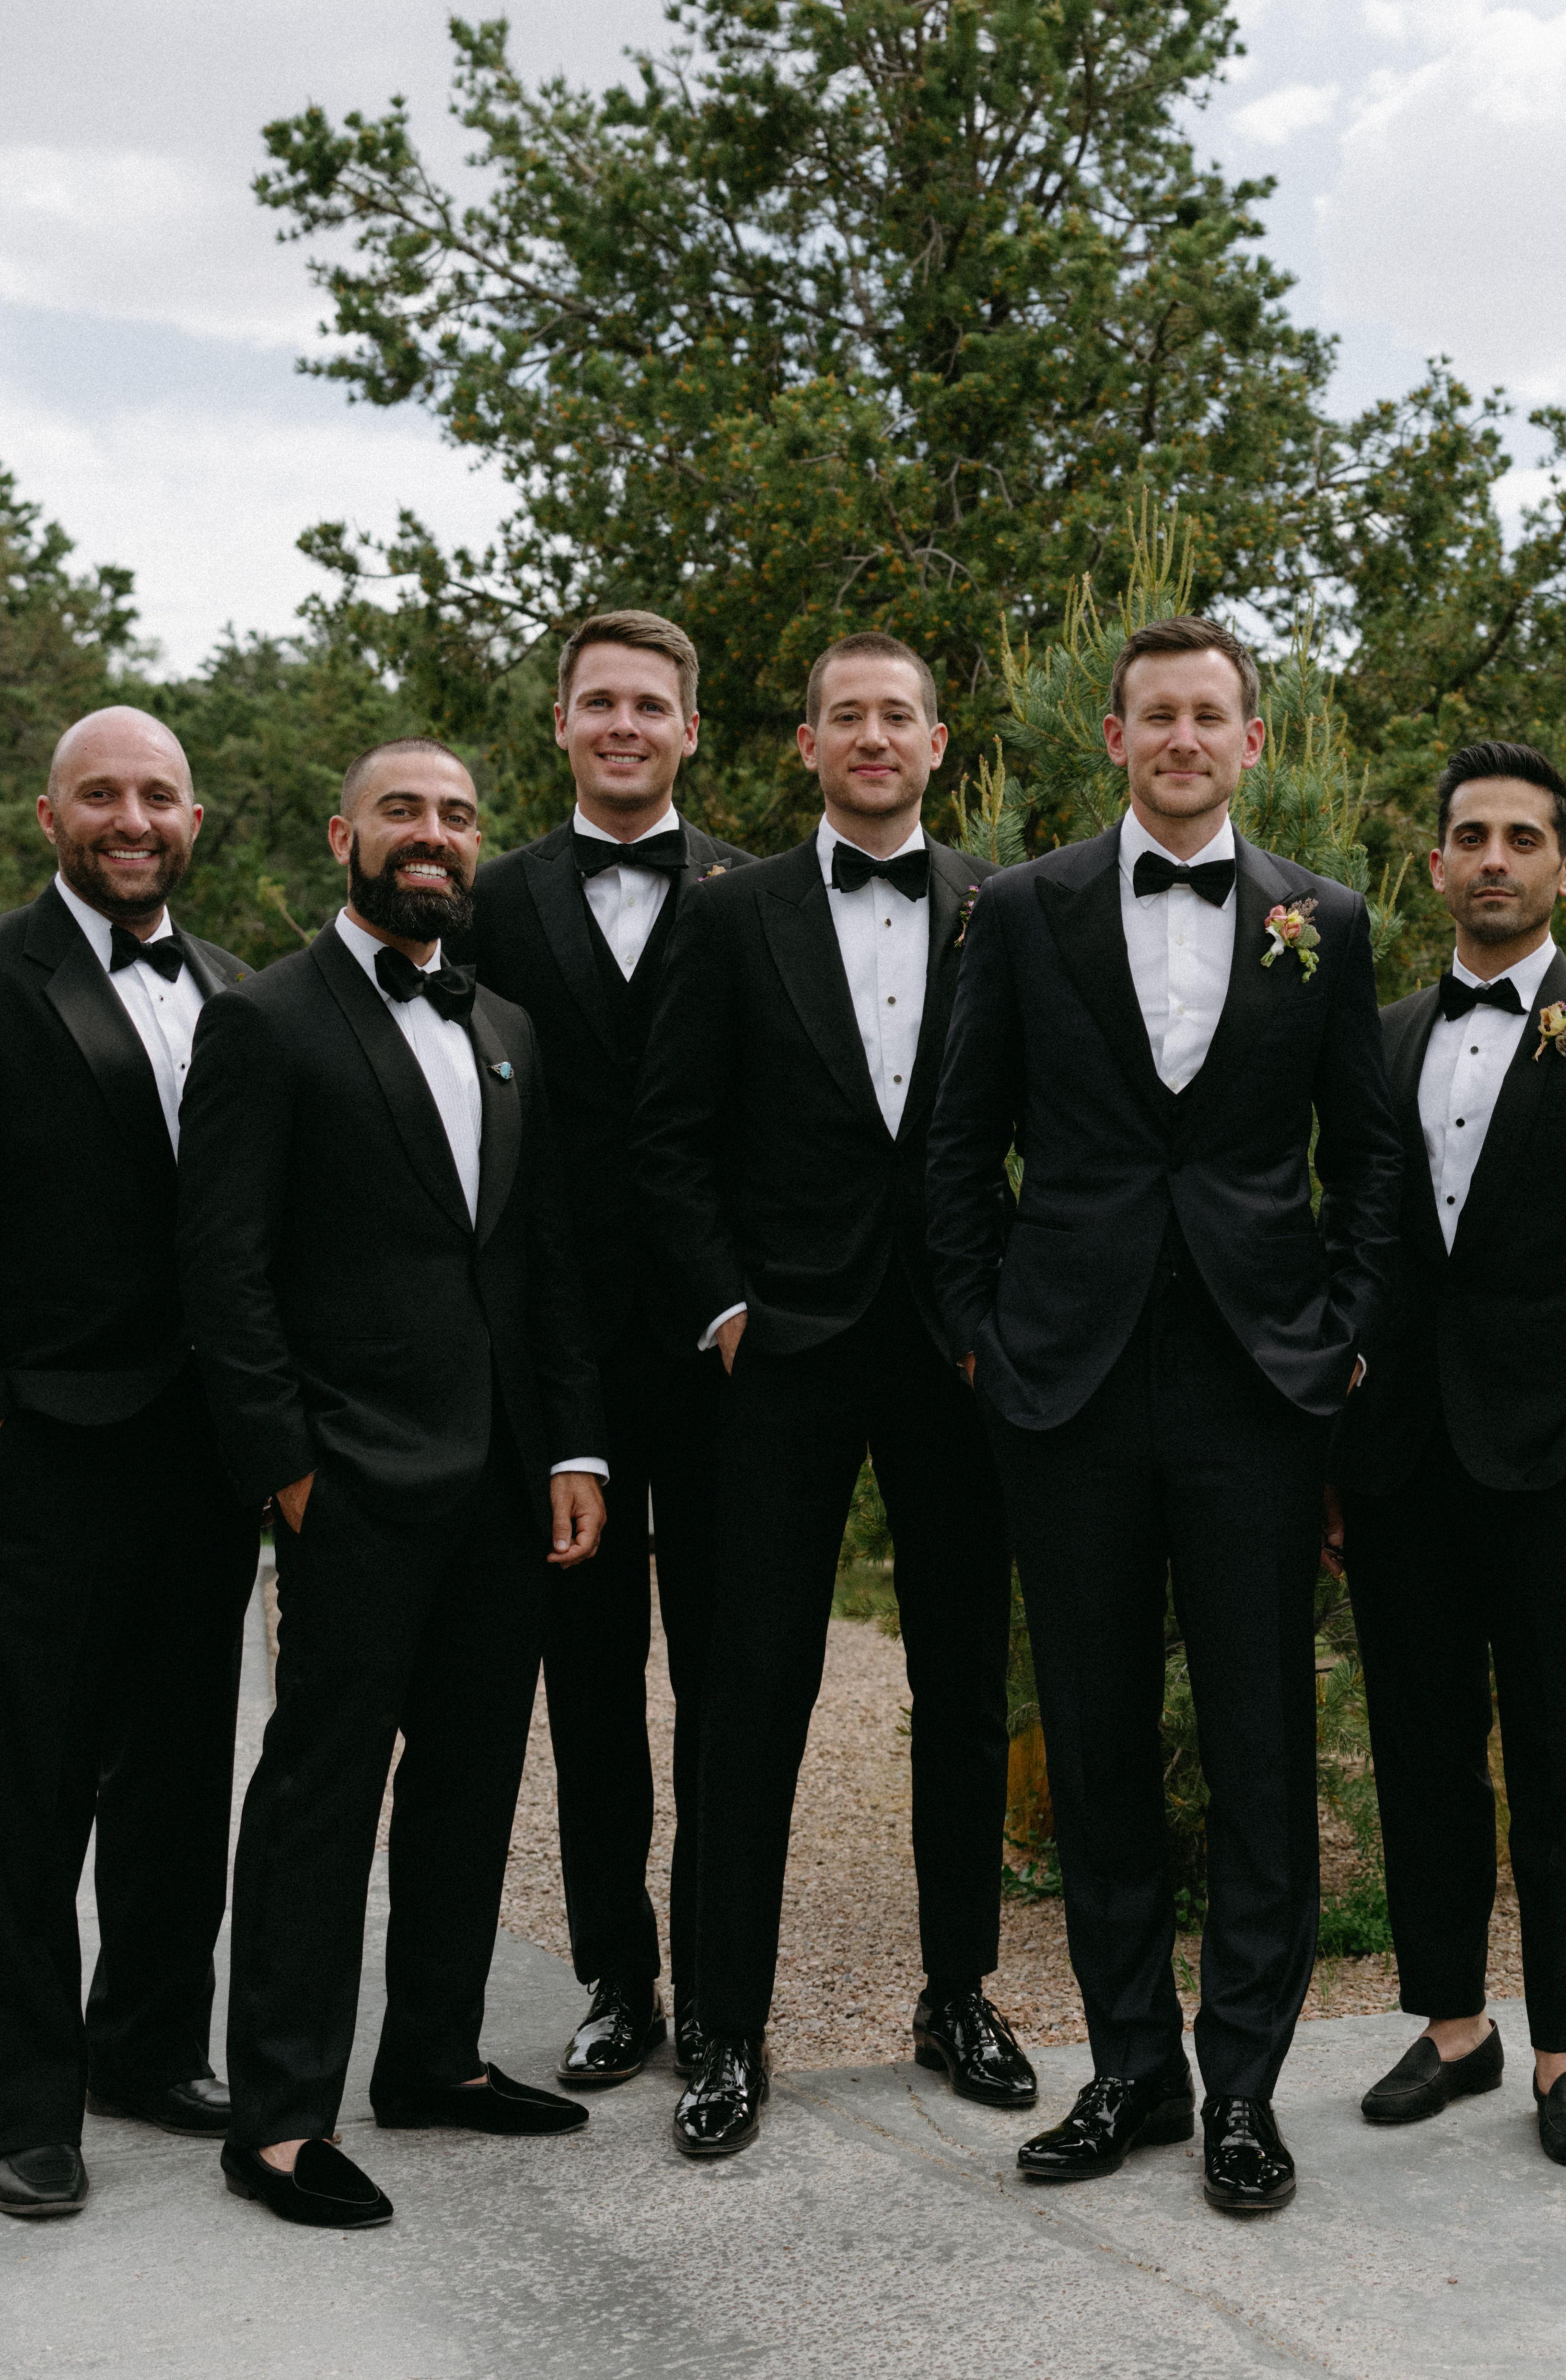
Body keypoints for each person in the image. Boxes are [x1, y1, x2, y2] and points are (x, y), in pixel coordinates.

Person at [925, 614, 1402, 2213]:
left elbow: (1371, 1158)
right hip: (1067, 1382)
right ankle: (1131, 2067)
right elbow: (960, 1143)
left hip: (1258, 1388)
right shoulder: (1024, 908)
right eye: (1158, 715)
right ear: (1116, 737)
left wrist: (1338, 1343)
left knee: (1263, 1744)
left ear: (1251, 743)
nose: (1184, 738)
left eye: (1211, 715)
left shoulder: (1325, 922)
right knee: (1098, 1738)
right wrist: (984, 1343)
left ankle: (1245, 2087)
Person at [180, 739, 608, 2228]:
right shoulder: (265, 1022)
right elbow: (224, 1272)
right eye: (403, 812)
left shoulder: (505, 1024)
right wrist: (287, 1471)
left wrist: (572, 1447)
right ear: (342, 834)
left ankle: (434, 2058)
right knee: (320, 1796)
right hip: (351, 1481)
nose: (434, 835)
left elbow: (541, 1257)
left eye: (457, 816)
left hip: (504, 1482)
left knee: (471, 1785)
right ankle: (279, 2120)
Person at [635, 632, 1030, 2160]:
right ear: (807, 746)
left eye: (899, 717)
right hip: (781, 1353)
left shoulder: (1005, 907)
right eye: (847, 717)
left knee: (966, 1686)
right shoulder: (727, 914)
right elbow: (669, 1138)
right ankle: (726, 2027)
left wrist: (1006, 1317)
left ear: (938, 745)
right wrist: (728, 1309)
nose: (874, 737)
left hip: (953, 1350)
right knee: (751, 1694)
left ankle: (958, 1995)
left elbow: (1050, 1124)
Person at [1328, 740, 1566, 2169]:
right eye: (1471, 837)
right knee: (1420, 1753)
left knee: (1560, 1760)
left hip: (1557, 1465)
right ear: (1436, 866)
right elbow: (1352, 1242)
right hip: (1400, 1461)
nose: (1495, 859)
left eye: (1522, 839)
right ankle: (1452, 2027)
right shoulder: (1380, 1036)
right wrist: (1340, 1443)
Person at [456, 611, 750, 2090]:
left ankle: (718, 1986)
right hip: (557, 1355)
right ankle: (615, 1977)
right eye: (599, 703)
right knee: (587, 1683)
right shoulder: (491, 903)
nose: (624, 725)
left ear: (691, 729)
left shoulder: (757, 895)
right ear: (562, 724)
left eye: (650, 704)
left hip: (720, 1356)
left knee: (725, 1678)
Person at [0, 709, 261, 2220]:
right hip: (44, 1444)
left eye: (157, 794)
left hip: (204, 1450)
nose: (131, 817)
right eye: (100, 793)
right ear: (50, 818)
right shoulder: (4, 977)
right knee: (28, 1783)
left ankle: (148, 2045)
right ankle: (23, 2102)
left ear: (194, 820)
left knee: (178, 1766)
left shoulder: (232, 987)